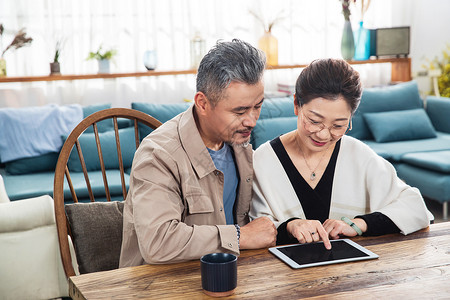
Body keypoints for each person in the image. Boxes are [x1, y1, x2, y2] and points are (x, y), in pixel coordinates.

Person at [119, 39, 277, 266]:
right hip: (161, 284)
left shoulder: (239, 142)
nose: (251, 120)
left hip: (228, 274)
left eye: (258, 106)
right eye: (240, 111)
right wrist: (240, 236)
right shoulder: (159, 154)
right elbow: (158, 243)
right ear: (202, 103)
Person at [249, 58, 431, 249]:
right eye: (314, 120)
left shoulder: (359, 155)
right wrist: (289, 226)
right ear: (296, 104)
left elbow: (416, 209)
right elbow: (252, 227)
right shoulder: (263, 161)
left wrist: (358, 224)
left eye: (338, 125)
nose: (323, 134)